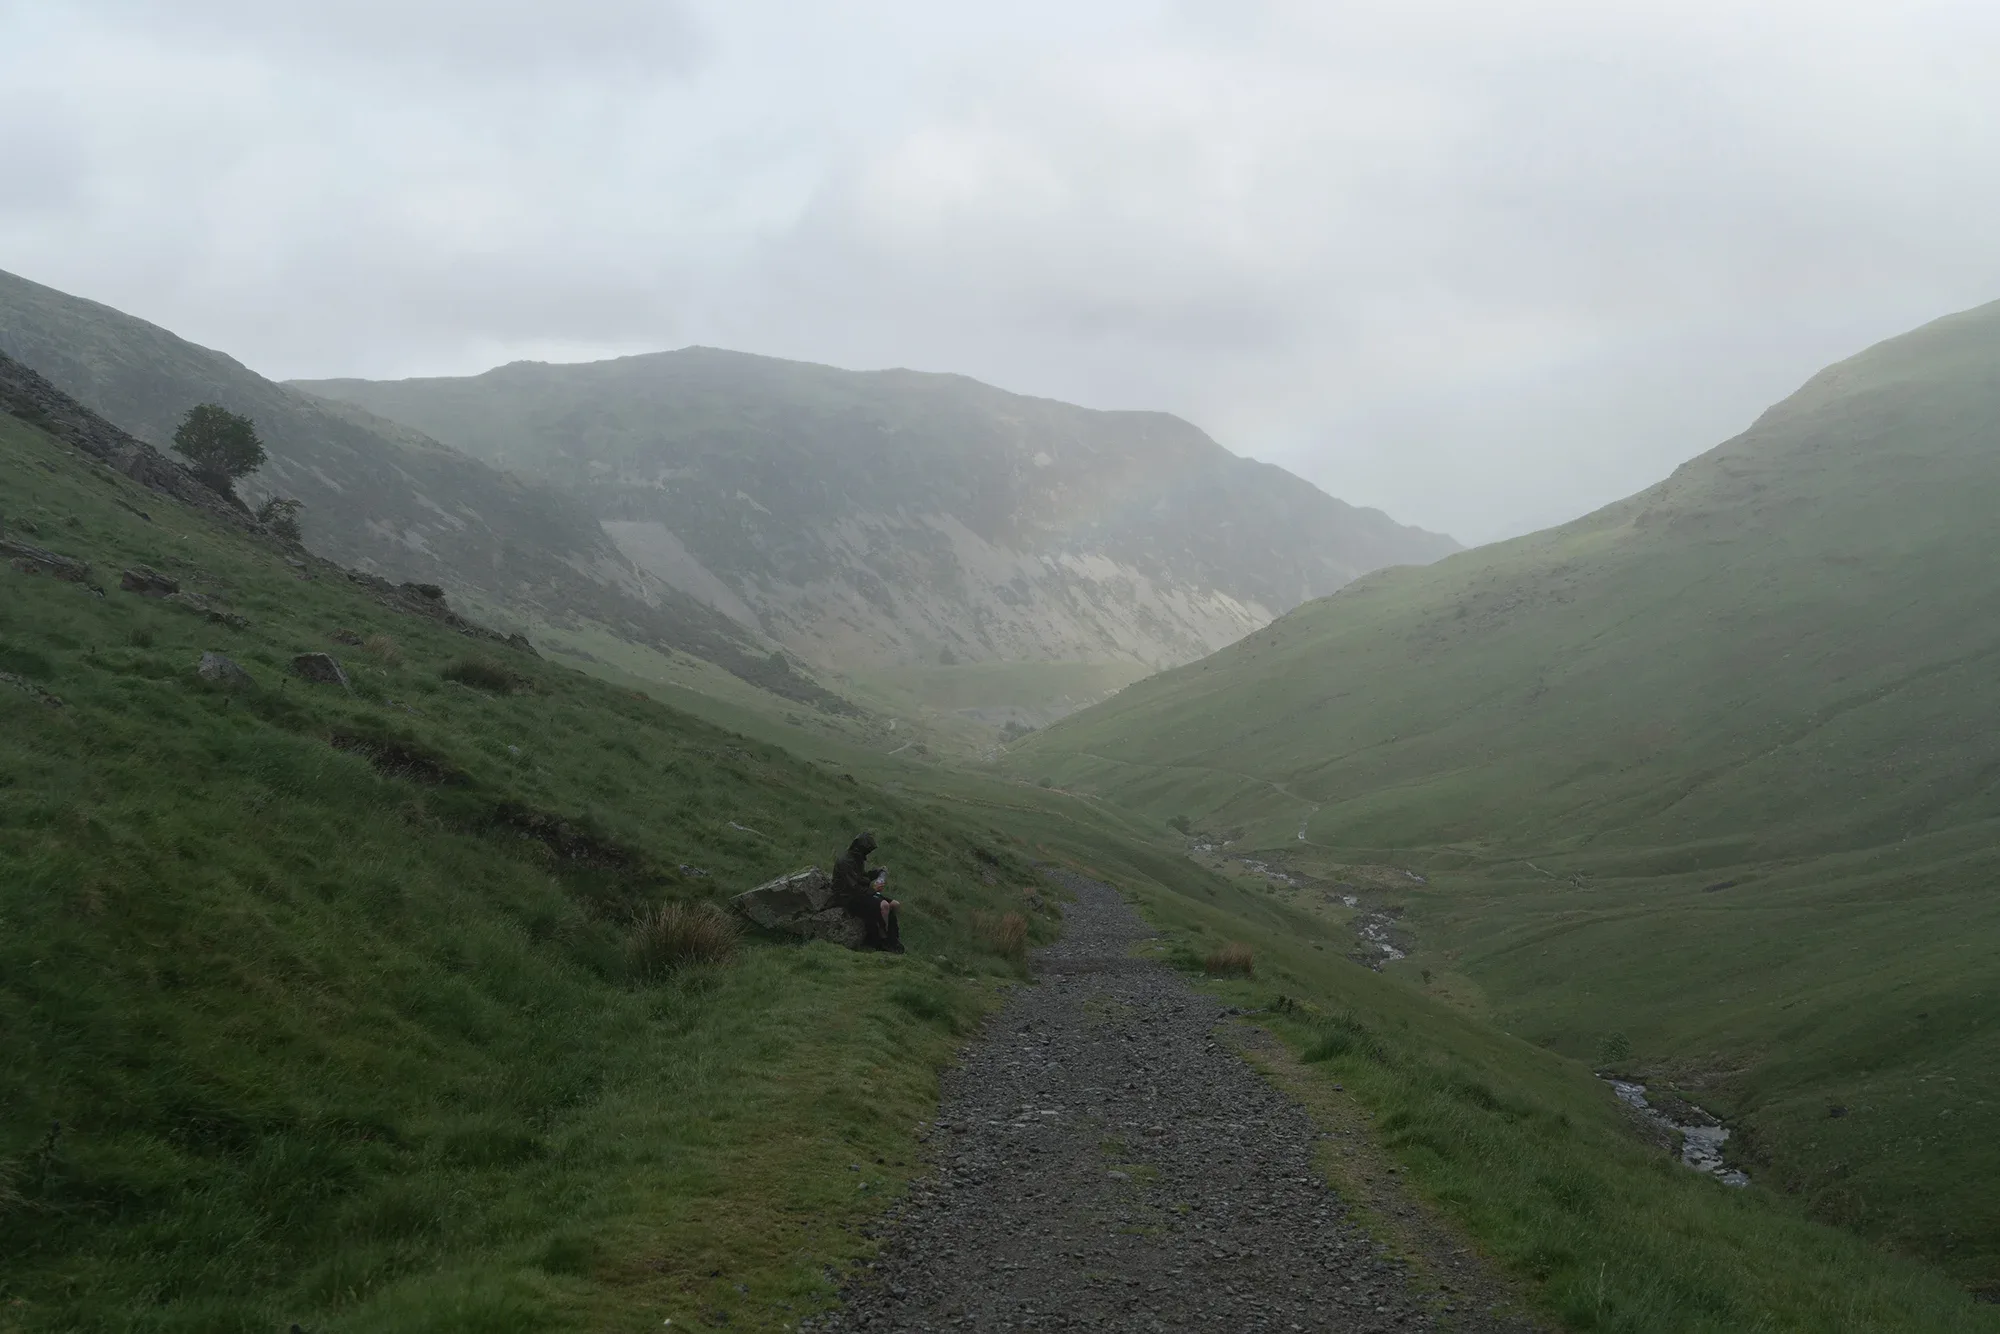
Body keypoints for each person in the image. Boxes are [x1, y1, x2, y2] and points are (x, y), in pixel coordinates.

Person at [831, 831, 903, 952]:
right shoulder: (845, 862)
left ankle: (893, 939)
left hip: (861, 893)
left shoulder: (856, 859)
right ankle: (884, 941)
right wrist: (873, 890)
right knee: (884, 906)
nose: (867, 855)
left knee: (895, 904)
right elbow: (853, 887)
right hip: (848, 898)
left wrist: (878, 873)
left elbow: (861, 878)